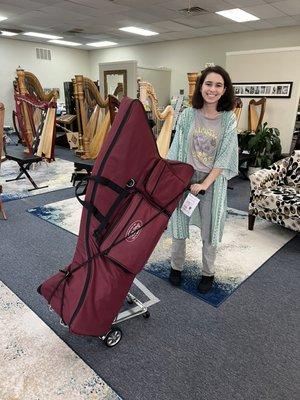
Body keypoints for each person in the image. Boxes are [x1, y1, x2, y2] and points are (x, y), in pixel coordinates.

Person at [167, 65, 238, 293]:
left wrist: (204, 184)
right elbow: (177, 148)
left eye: (218, 85)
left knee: (210, 228)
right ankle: (176, 267)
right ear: (201, 87)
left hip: (212, 183)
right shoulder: (188, 114)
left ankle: (208, 273)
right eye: (209, 84)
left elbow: (225, 157)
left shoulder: (228, 120)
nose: (213, 89)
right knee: (179, 224)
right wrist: (180, 179)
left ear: (225, 90)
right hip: (186, 179)